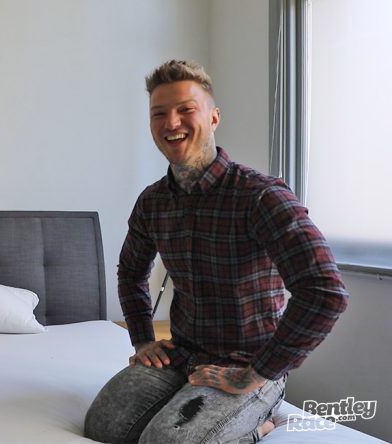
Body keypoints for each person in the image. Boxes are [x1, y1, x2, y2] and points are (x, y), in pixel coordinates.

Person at [84, 60, 349, 443]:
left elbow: (325, 291)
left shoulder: (261, 196)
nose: (171, 122)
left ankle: (261, 426)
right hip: (181, 353)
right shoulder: (153, 202)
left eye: (186, 109)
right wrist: (143, 340)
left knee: (166, 440)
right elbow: (130, 272)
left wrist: (257, 373)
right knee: (103, 426)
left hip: (247, 362)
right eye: (159, 113)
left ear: (213, 117)